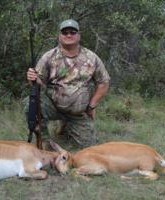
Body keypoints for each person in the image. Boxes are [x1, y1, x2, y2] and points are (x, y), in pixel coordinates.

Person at [25, 19, 110, 147]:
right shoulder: (49, 57)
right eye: (65, 32)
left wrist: (92, 105)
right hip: (54, 106)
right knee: (30, 103)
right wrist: (32, 79)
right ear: (59, 36)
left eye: (72, 32)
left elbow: (104, 82)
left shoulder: (91, 57)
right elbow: (38, 84)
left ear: (79, 36)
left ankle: (64, 128)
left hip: (79, 112)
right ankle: (45, 141)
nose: (69, 35)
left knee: (89, 149)